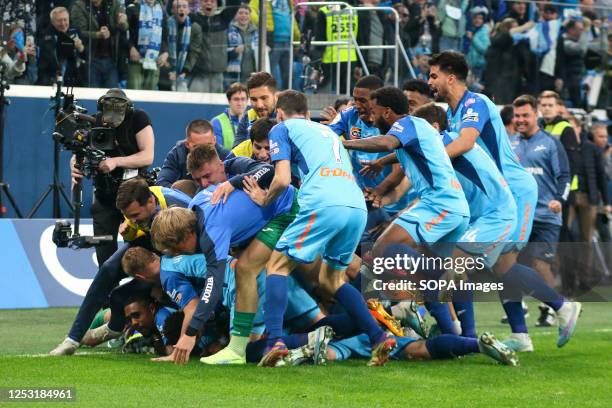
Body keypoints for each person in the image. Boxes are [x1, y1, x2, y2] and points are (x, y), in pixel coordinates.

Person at [428, 51, 581, 352]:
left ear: (450, 76)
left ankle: (562, 307)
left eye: (433, 75)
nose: (429, 81)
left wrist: (431, 160)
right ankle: (520, 335)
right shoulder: (455, 112)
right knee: (500, 264)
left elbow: (466, 142)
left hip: (514, 190)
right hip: (492, 194)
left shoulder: (476, 103)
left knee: (503, 262)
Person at [248, 90, 395, 367]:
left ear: (280, 112)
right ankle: (377, 337)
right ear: (306, 112)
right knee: (333, 280)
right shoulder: (327, 132)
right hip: (355, 205)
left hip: (324, 202)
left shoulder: (282, 128)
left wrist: (263, 201)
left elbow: (280, 180)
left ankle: (275, 341)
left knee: (277, 266)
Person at [343, 87, 470, 339]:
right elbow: (406, 149)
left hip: (440, 204)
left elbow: (388, 141)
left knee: (381, 251)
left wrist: (343, 143)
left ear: (387, 112)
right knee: (428, 274)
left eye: (375, 111)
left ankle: (404, 307)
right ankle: (453, 333)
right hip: (452, 207)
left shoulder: (406, 124)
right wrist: (383, 161)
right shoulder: (416, 130)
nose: (372, 115)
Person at [49, 178, 191, 356]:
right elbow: (136, 235)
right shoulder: (136, 207)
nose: (132, 220)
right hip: (155, 242)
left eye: (135, 216)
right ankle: (73, 339)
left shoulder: (182, 207)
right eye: (128, 217)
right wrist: (130, 231)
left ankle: (117, 328)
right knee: (108, 269)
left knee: (119, 296)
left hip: (185, 252)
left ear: (150, 202)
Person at [70, 88, 154, 266]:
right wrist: (74, 166)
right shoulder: (95, 120)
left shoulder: (138, 117)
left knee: (143, 249)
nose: (113, 123)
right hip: (104, 194)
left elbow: (148, 156)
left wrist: (116, 161)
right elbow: (79, 153)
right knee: (105, 254)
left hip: (134, 193)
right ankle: (109, 290)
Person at [511, 95, 570, 327]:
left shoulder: (551, 142)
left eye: (525, 115)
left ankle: (551, 308)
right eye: (517, 116)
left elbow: (564, 176)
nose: (521, 120)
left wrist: (558, 200)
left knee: (540, 265)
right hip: (519, 215)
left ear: (535, 115)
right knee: (508, 263)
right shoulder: (510, 143)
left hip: (546, 215)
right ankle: (519, 309)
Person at [70, 0, 129, 88]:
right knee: (91, 96)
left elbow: (124, 27)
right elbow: (80, 32)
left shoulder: (114, 3)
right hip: (90, 60)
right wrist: (98, 35)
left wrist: (123, 22)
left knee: (112, 97)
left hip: (111, 59)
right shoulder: (79, 6)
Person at [155, 119, 229, 188]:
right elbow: (162, 183)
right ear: (187, 144)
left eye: (208, 146)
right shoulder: (177, 155)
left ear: (214, 140)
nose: (203, 151)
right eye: (197, 147)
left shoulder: (226, 155)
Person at [189, 0, 241, 93]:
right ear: (200, 3)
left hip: (218, 75)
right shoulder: (194, 18)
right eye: (205, 1)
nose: (209, 3)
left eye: (212, 1)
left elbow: (235, 3)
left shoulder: (223, 19)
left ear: (217, 5)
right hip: (199, 74)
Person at [160, 0, 203, 92]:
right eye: (178, 7)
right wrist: (168, 69)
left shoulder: (195, 28)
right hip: (164, 71)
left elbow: (194, 52)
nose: (181, 9)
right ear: (172, 10)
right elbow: (162, 46)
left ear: (188, 10)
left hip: (185, 72)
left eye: (184, 7)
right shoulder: (165, 25)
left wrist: (184, 72)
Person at [125, 0, 168, 90]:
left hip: (155, 59)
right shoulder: (133, 8)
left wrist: (165, 52)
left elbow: (164, 35)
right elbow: (124, 32)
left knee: (150, 96)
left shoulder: (161, 10)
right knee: (134, 95)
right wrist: (131, 47)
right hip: (136, 59)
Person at [36, 7, 85, 86]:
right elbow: (43, 62)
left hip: (74, 79)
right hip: (51, 79)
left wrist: (80, 48)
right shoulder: (45, 35)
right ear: (52, 22)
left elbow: (87, 56)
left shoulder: (76, 32)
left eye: (65, 20)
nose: (63, 23)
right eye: (59, 20)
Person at [233, 72, 278, 147]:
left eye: (264, 98)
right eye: (254, 99)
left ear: (275, 96)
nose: (259, 105)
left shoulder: (287, 118)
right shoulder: (247, 118)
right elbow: (236, 154)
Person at [225, 4, 258, 87]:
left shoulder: (256, 32)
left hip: (252, 74)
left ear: (250, 16)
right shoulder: (228, 30)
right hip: (234, 74)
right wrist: (234, 51)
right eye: (240, 13)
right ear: (235, 15)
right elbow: (222, 51)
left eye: (246, 13)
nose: (243, 15)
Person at [211, 83, 248, 150]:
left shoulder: (253, 120)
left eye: (243, 99)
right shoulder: (217, 122)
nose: (240, 103)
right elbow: (217, 152)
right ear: (229, 101)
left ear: (247, 101)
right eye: (236, 99)